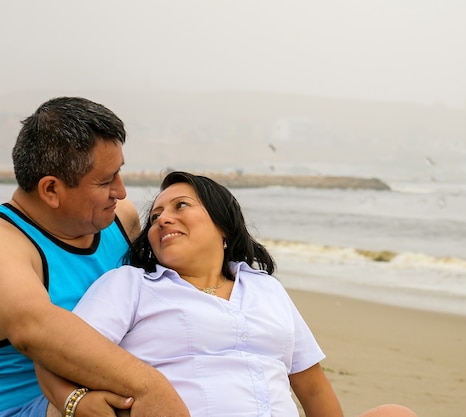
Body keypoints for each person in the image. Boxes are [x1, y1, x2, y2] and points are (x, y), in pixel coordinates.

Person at [38, 171, 417, 417]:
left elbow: (312, 388)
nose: (163, 219)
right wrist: (76, 403)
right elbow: (58, 354)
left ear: (223, 225)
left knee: (395, 414)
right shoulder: (129, 285)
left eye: (181, 206)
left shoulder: (266, 289)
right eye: (154, 217)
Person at [0, 97, 189, 417]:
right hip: (29, 407)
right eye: (105, 181)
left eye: (119, 172)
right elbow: (34, 328)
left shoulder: (122, 219)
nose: (122, 191)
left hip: (110, 381)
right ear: (51, 190)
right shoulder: (9, 244)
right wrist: (151, 387)